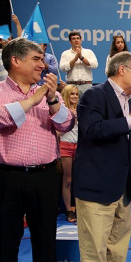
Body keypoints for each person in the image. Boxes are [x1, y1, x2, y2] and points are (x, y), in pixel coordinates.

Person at [0, 37, 75, 262]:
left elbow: (67, 123)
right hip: (5, 178)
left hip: (45, 176)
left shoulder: (50, 94)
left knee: (46, 245)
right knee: (6, 247)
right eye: (37, 59)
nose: (43, 64)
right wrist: (31, 101)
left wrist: (51, 100)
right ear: (15, 61)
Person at [73, 51, 131, 262]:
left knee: (118, 248)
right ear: (122, 70)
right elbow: (93, 130)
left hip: (121, 189)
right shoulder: (93, 95)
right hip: (96, 188)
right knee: (95, 253)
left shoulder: (129, 101)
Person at [59, 84, 80, 223]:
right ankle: (68, 210)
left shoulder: (81, 110)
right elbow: (56, 133)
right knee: (67, 180)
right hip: (65, 146)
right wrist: (71, 120)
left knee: (79, 181)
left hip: (80, 147)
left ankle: (79, 209)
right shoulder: (61, 111)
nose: (75, 97)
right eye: (72, 94)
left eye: (77, 94)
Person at [59, 31, 98, 96]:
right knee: (72, 105)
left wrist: (81, 57)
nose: (76, 40)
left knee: (87, 105)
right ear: (70, 41)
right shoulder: (65, 53)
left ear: (81, 40)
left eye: (78, 38)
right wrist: (74, 59)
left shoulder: (89, 52)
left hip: (86, 85)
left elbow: (95, 65)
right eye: (73, 39)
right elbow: (62, 68)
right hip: (71, 85)